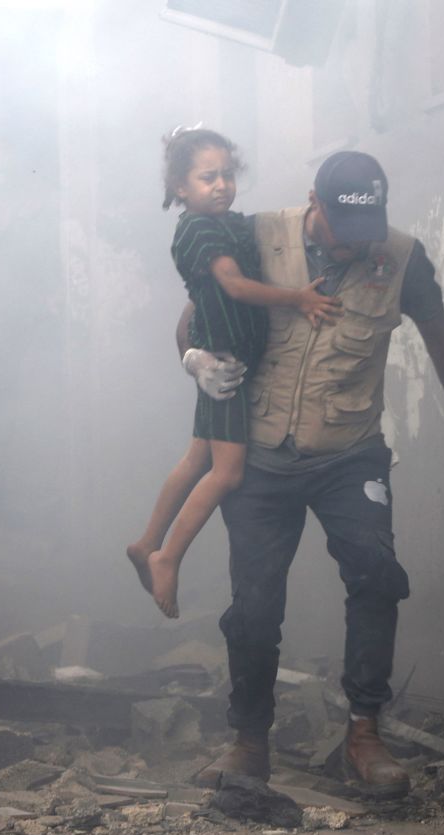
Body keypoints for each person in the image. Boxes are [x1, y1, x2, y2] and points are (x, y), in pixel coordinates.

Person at [180, 151, 444, 799]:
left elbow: (442, 337)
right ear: (313, 201)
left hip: (349, 452)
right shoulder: (255, 235)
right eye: (341, 229)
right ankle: (250, 740)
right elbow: (194, 314)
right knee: (254, 603)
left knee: (377, 576)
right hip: (261, 453)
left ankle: (365, 733)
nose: (355, 245)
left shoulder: (401, 256)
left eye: (365, 230)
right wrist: (193, 358)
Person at [126, 128, 342, 618]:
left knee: (196, 460)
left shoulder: (225, 223)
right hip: (222, 366)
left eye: (227, 174)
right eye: (207, 177)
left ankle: (145, 543)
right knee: (227, 473)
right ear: (181, 187)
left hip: (224, 360)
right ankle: (168, 557)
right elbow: (235, 286)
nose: (221, 184)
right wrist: (299, 298)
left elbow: (269, 232)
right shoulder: (199, 230)